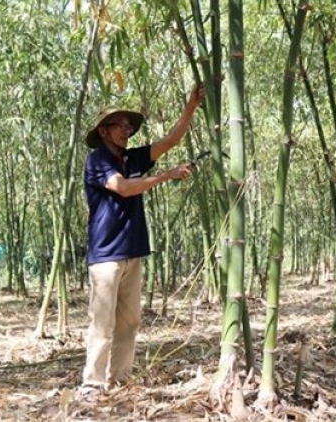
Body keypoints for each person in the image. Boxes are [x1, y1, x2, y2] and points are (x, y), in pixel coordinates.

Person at [80, 84, 205, 396]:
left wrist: (190, 106)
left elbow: (171, 141)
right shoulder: (97, 161)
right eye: (119, 125)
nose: (126, 129)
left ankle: (119, 379)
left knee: (129, 322)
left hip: (132, 250)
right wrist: (166, 176)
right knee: (102, 324)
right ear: (104, 131)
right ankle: (93, 385)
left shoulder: (132, 158)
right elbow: (122, 188)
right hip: (106, 254)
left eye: (128, 125)